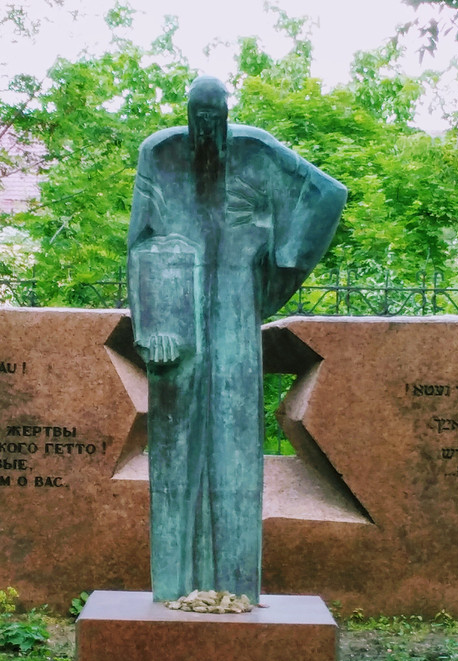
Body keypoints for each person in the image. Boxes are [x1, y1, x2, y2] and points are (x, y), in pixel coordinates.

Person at [127, 75, 346, 602]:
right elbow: (139, 243)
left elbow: (326, 195)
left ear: (227, 113)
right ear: (186, 113)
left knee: (235, 436)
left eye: (216, 116)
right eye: (198, 116)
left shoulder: (255, 148)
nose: (208, 128)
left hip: (234, 299)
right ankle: (175, 585)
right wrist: (150, 324)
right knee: (176, 437)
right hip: (174, 307)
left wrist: (280, 255)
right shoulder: (159, 152)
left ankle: (235, 585)